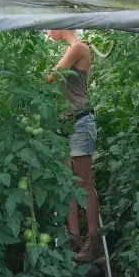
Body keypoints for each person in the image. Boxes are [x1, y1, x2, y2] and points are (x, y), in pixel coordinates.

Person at [46, 29, 102, 262]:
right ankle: (74, 238)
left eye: (50, 27)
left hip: (79, 124)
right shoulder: (69, 51)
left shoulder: (78, 48)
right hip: (65, 126)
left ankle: (92, 239)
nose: (48, 33)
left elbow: (51, 77)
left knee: (83, 183)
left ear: (62, 25)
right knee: (68, 183)